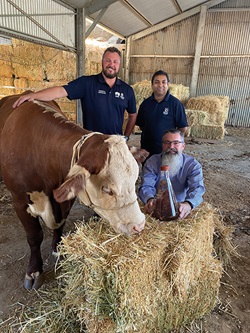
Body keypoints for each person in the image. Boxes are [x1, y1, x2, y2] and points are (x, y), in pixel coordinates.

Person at [13, 47, 136, 139]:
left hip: (115, 142)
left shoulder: (127, 90)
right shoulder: (87, 83)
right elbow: (60, 91)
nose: (111, 65)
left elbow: (132, 115)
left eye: (115, 62)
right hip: (91, 142)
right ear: (102, 62)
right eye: (108, 60)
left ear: (119, 65)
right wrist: (32, 95)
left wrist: (126, 136)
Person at [138, 129, 205, 220]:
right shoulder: (152, 162)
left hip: (180, 206)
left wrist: (188, 204)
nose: (171, 146)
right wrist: (149, 200)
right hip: (156, 206)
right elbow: (146, 185)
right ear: (162, 145)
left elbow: (197, 188)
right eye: (167, 142)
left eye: (176, 143)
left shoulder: (193, 165)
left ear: (183, 146)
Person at [136, 70, 188, 157]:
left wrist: (172, 142)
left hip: (167, 151)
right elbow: (141, 126)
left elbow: (182, 128)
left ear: (168, 84)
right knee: (148, 170)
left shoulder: (176, 104)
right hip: (147, 151)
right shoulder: (145, 104)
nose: (160, 85)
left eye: (164, 82)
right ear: (152, 85)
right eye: (157, 82)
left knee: (166, 170)